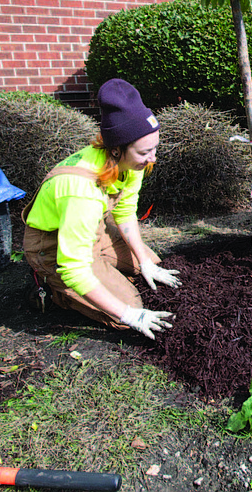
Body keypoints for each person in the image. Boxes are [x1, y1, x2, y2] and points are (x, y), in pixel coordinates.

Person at [23, 78, 180, 340]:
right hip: (50, 246)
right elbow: (74, 268)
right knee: (127, 311)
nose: (153, 158)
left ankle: (108, 269)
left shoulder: (132, 164)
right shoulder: (81, 190)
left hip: (92, 231)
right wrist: (130, 315)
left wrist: (143, 261)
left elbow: (125, 211)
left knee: (154, 266)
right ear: (117, 150)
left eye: (155, 148)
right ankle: (52, 288)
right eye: (144, 152)